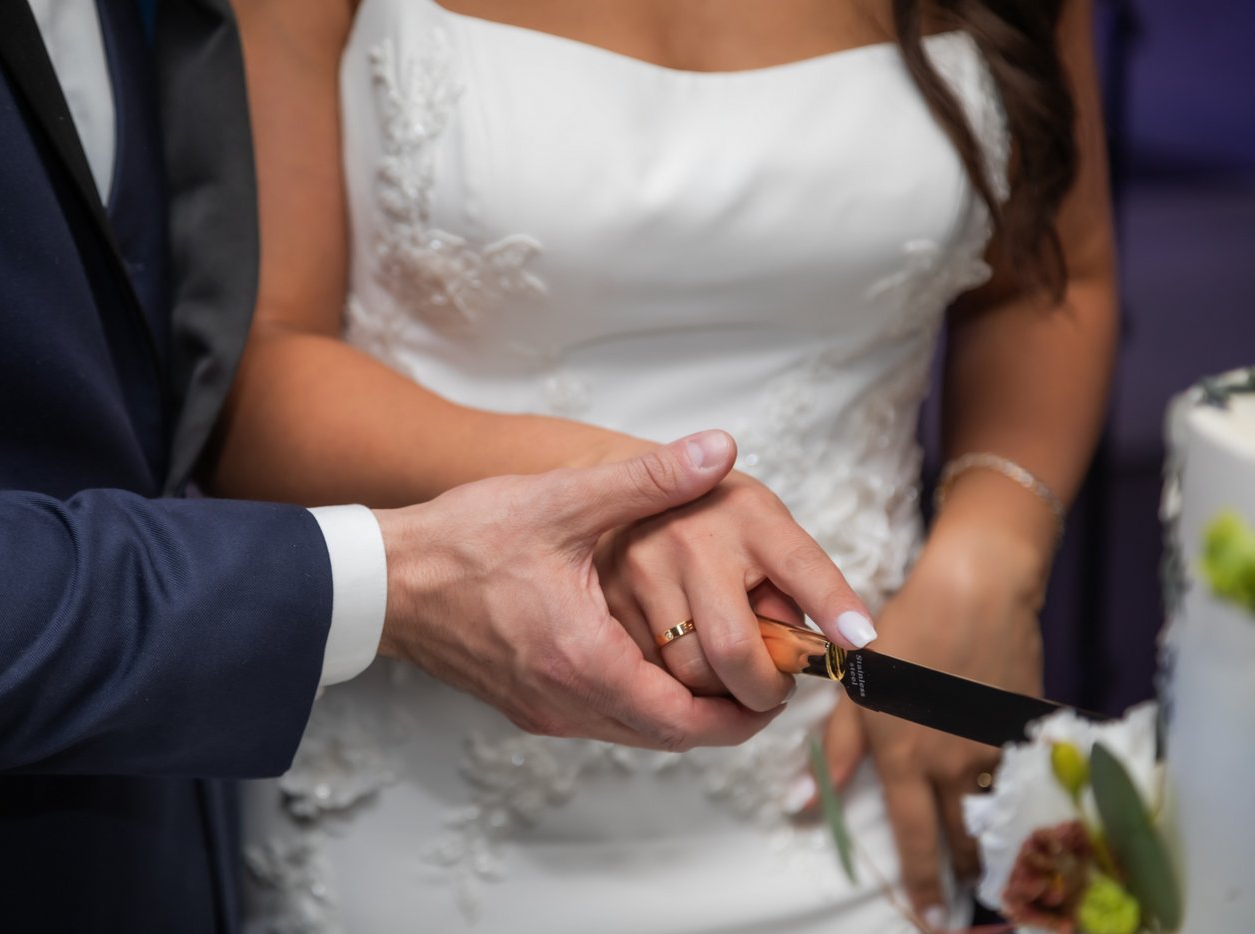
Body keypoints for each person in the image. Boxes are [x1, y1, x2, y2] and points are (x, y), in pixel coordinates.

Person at [0, 2, 870, 931]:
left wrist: (996, 535)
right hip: (400, 800)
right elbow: (242, 368)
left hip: (854, 782)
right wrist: (587, 500)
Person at [225, 0, 1118, 931]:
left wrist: (991, 558)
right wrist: (611, 490)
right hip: (424, 807)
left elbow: (1056, 280)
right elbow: (255, 370)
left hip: (849, 769)